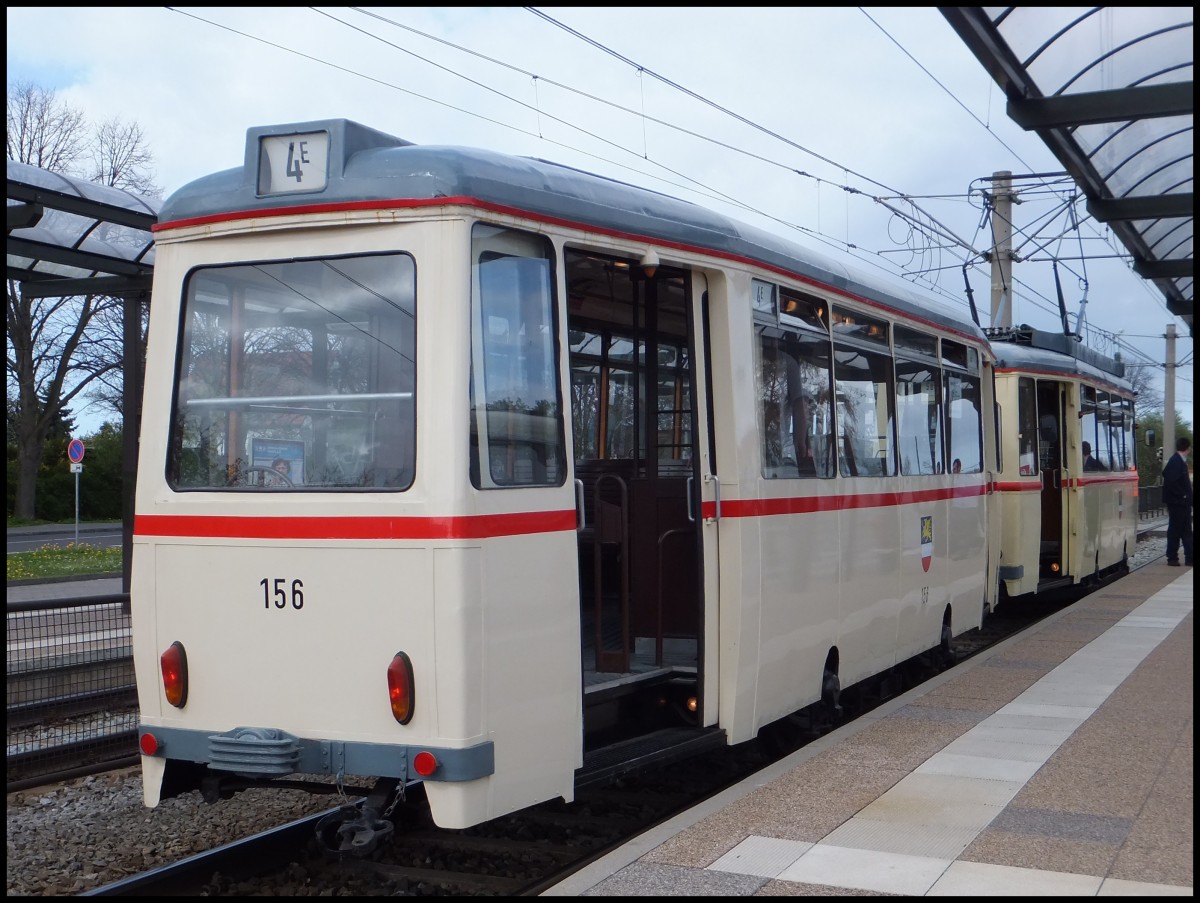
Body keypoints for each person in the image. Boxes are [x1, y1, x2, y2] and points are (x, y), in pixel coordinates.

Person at [1162, 436, 1193, 566]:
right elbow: (1170, 480)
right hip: (1178, 503)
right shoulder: (1176, 461)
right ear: (1188, 448)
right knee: (1176, 530)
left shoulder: (1178, 460)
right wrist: (1183, 495)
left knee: (1185, 530)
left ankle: (1189, 557)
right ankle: (1173, 557)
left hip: (1182, 504)